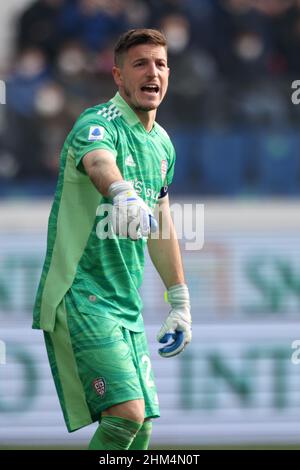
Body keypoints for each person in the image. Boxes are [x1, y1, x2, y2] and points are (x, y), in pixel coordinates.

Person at [33, 28, 192, 451]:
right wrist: (120, 193)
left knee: (141, 430)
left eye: (159, 64)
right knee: (126, 415)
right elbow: (100, 162)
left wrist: (180, 300)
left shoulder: (162, 144)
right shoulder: (97, 123)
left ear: (169, 74)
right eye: (140, 64)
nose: (152, 72)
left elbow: (162, 224)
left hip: (124, 302)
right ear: (119, 76)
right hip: (80, 291)